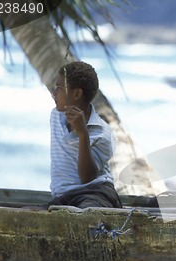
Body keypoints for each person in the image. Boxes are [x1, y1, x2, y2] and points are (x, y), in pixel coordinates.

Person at [48, 61, 122, 209]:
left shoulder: (102, 133)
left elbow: (87, 177)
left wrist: (83, 134)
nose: (54, 93)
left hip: (95, 193)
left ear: (77, 94)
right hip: (64, 196)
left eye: (59, 88)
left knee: (85, 213)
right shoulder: (56, 116)